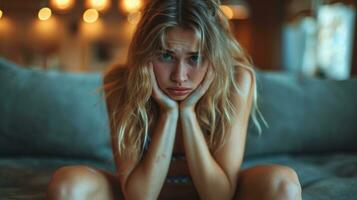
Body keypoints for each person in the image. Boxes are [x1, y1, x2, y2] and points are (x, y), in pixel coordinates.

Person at [47, 0, 302, 199]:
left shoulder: (237, 80)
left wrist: (188, 113)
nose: (180, 77)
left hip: (218, 191)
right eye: (166, 56)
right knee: (67, 184)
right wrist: (169, 114)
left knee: (284, 183)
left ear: (213, 57)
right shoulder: (120, 83)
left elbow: (219, 195)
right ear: (145, 54)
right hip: (140, 192)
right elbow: (140, 196)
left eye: (195, 58)